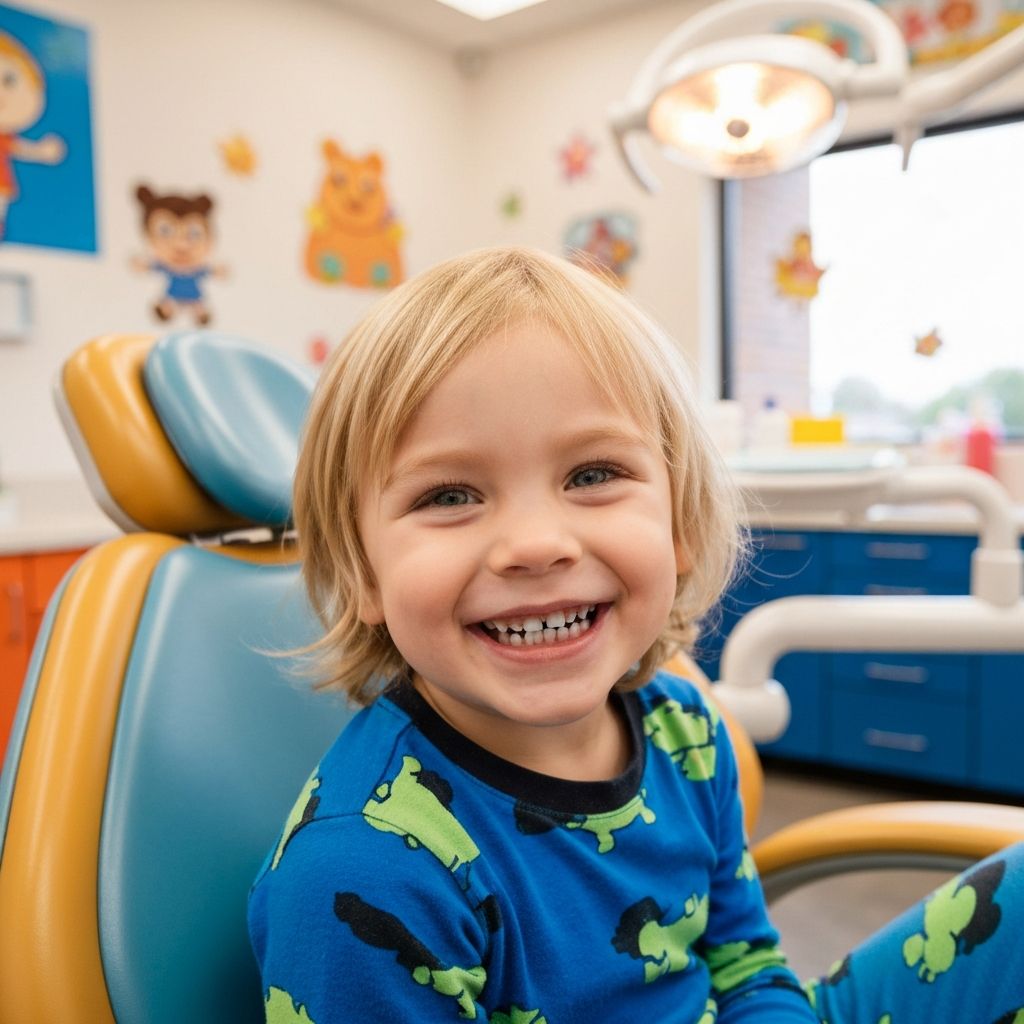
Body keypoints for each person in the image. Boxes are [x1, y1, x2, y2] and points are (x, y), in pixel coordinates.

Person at [248, 246, 1024, 1024]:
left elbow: (747, 965)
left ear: (679, 523)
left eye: (591, 475)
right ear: (364, 576)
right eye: (450, 494)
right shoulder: (367, 872)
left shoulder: (686, 732)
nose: (536, 543)